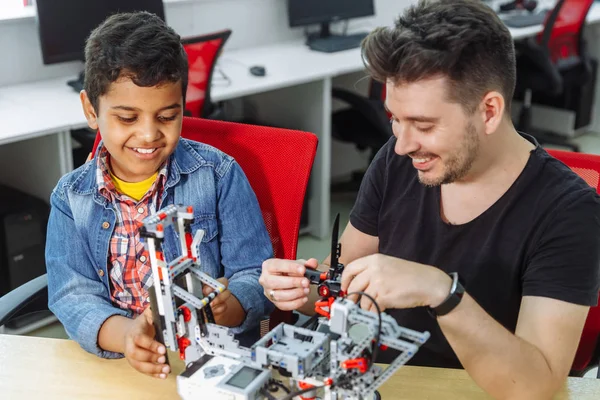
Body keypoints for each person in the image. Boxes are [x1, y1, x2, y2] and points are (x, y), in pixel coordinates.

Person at [259, 0, 600, 398]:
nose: (402, 145)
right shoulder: (395, 160)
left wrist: (442, 292)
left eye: (423, 125)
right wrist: (302, 291)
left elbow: (534, 386)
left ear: (489, 111)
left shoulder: (568, 213)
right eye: (394, 119)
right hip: (374, 380)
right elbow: (346, 287)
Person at [45, 11, 273, 380]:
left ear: (183, 105)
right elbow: (73, 295)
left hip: (213, 361)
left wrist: (231, 305)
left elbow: (254, 271)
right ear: (91, 110)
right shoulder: (71, 199)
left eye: (167, 116)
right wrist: (126, 336)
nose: (149, 135)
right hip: (122, 362)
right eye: (127, 118)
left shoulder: (219, 175)